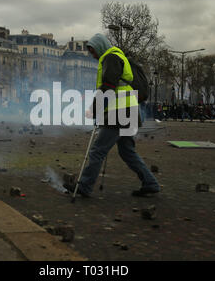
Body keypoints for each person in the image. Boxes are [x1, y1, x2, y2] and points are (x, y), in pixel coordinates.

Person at [63, 33, 160, 198]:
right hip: (129, 111)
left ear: (100, 46)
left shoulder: (111, 58)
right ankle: (150, 182)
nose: (93, 55)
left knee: (97, 151)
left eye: (93, 51)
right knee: (127, 151)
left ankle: (85, 186)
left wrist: (93, 108)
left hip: (119, 113)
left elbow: (108, 86)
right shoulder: (117, 56)